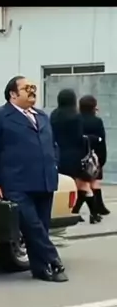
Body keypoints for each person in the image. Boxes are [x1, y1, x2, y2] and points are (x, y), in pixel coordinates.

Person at [0, 76, 68, 283]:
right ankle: (54, 260)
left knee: (41, 227)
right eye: (27, 88)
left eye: (33, 88)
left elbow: (53, 145)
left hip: (44, 180)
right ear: (13, 94)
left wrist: (54, 163)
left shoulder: (42, 116)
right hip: (16, 183)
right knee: (32, 226)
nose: (32, 92)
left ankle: (41, 270)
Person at [50, 88, 100, 224]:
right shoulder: (76, 116)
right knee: (83, 185)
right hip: (74, 155)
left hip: (59, 154)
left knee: (67, 185)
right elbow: (78, 138)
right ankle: (93, 214)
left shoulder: (54, 115)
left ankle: (73, 211)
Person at [79, 93, 109, 217]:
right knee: (93, 181)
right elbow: (102, 140)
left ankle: (97, 207)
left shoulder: (77, 120)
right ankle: (97, 207)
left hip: (81, 155)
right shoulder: (96, 121)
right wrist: (102, 159)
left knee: (83, 182)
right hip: (94, 156)